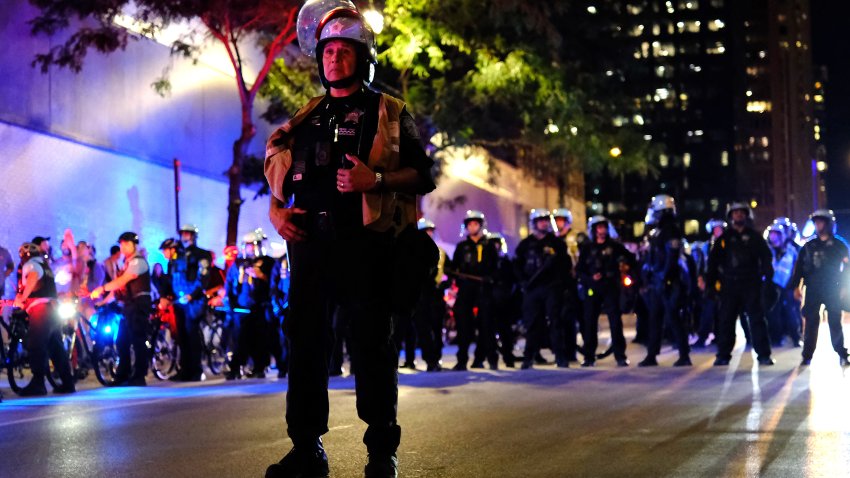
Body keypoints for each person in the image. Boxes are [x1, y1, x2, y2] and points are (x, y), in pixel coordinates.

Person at [263, 2, 436, 476]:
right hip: (309, 249)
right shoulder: (304, 117)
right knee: (305, 346)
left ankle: (382, 452)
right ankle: (306, 449)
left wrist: (375, 181)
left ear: (363, 57)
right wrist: (276, 214)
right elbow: (280, 184)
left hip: (367, 249)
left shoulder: (391, 110)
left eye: (345, 50)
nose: (335, 59)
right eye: (328, 51)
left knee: (371, 348)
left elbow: (423, 175)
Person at [706, 202, 774, 366]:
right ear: (730, 217)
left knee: (757, 319)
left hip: (751, 283)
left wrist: (768, 279)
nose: (738, 215)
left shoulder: (755, 237)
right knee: (726, 320)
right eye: (735, 213)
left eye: (741, 213)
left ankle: (764, 354)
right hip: (730, 285)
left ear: (746, 215)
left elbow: (766, 258)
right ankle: (723, 354)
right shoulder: (724, 238)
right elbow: (713, 263)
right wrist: (711, 285)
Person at [13, 242, 75, 395]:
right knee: (56, 346)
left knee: (37, 344)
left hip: (40, 309)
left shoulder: (30, 265)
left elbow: (33, 277)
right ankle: (68, 382)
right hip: (53, 309)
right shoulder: (45, 266)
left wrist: (22, 297)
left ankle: (38, 383)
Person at [90, 232, 152, 386]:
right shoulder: (127, 263)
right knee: (122, 340)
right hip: (129, 306)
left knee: (138, 339)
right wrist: (103, 301)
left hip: (139, 304)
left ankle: (139, 375)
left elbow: (123, 280)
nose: (122, 247)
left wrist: (102, 288)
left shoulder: (138, 262)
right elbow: (119, 288)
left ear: (134, 245)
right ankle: (123, 374)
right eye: (121, 244)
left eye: (126, 244)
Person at [639, 195, 692, 367]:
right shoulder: (659, 230)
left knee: (673, 318)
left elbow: (672, 255)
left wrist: (664, 276)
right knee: (655, 318)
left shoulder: (670, 229)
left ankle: (684, 354)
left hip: (669, 281)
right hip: (658, 280)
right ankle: (652, 355)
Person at [791, 209, 850, 366]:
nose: (818, 225)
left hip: (833, 289)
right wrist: (796, 286)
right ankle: (807, 355)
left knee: (834, 322)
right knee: (811, 322)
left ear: (829, 224)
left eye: (821, 222)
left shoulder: (839, 245)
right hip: (813, 289)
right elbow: (800, 268)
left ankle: (842, 353)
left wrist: (845, 287)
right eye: (816, 222)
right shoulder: (809, 246)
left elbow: (848, 267)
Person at [515, 209, 570, 369]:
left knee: (555, 321)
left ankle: (560, 357)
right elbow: (517, 265)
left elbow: (565, 266)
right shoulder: (525, 244)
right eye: (540, 221)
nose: (544, 223)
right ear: (534, 223)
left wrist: (562, 285)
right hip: (532, 289)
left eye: (546, 220)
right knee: (532, 324)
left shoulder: (557, 243)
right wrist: (523, 282)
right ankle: (529, 357)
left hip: (552, 288)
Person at [576, 215, 631, 367]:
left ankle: (620, 355)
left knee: (615, 322)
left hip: (610, 287)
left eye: (604, 227)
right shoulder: (587, 248)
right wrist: (591, 278)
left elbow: (630, 258)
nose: (602, 230)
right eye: (599, 227)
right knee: (590, 323)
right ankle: (589, 356)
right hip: (592, 289)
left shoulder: (614, 246)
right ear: (594, 230)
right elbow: (580, 270)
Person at [161, 225, 212, 382]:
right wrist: (167, 296)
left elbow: (203, 277)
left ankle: (195, 370)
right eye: (182, 233)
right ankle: (185, 369)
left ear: (193, 236)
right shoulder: (177, 257)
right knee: (181, 336)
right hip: (179, 301)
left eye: (187, 234)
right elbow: (171, 279)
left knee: (192, 334)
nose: (184, 236)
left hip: (193, 301)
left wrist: (192, 295)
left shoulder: (201, 254)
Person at [448, 210, 496, 371]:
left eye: (475, 223)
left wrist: (491, 278)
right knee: (463, 326)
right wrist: (451, 272)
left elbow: (496, 268)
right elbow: (453, 267)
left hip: (483, 289)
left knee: (486, 325)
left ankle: (481, 359)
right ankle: (462, 360)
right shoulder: (462, 247)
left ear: (481, 226)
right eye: (469, 224)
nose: (472, 226)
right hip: (466, 289)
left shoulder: (489, 245)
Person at [225, 229, 275, 379]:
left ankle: (260, 367)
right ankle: (235, 368)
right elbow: (230, 283)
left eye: (253, 245)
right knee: (240, 339)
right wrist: (231, 302)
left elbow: (274, 282)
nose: (251, 249)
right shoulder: (238, 263)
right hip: (241, 307)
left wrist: (261, 276)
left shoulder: (267, 262)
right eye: (248, 245)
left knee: (259, 339)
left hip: (259, 307)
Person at [412, 218, 448, 372]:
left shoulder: (440, 251)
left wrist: (444, 284)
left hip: (436, 296)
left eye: (430, 230)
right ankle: (430, 360)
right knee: (423, 330)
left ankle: (436, 358)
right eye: (425, 231)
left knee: (437, 328)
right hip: (420, 297)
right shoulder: (412, 253)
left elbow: (451, 271)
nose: (429, 233)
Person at [764, 221, 802, 347]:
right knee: (773, 313)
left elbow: (796, 268)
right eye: (772, 234)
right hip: (772, 287)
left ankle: (796, 338)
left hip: (788, 286)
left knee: (791, 312)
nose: (774, 237)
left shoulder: (792, 250)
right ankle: (776, 338)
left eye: (777, 234)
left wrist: (795, 285)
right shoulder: (767, 250)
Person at [552, 207, 582, 362]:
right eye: (556, 220)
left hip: (574, 281)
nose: (558, 223)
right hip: (558, 282)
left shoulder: (576, 237)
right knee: (559, 318)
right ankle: (562, 351)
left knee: (573, 318)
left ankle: (572, 352)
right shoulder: (553, 239)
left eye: (561, 220)